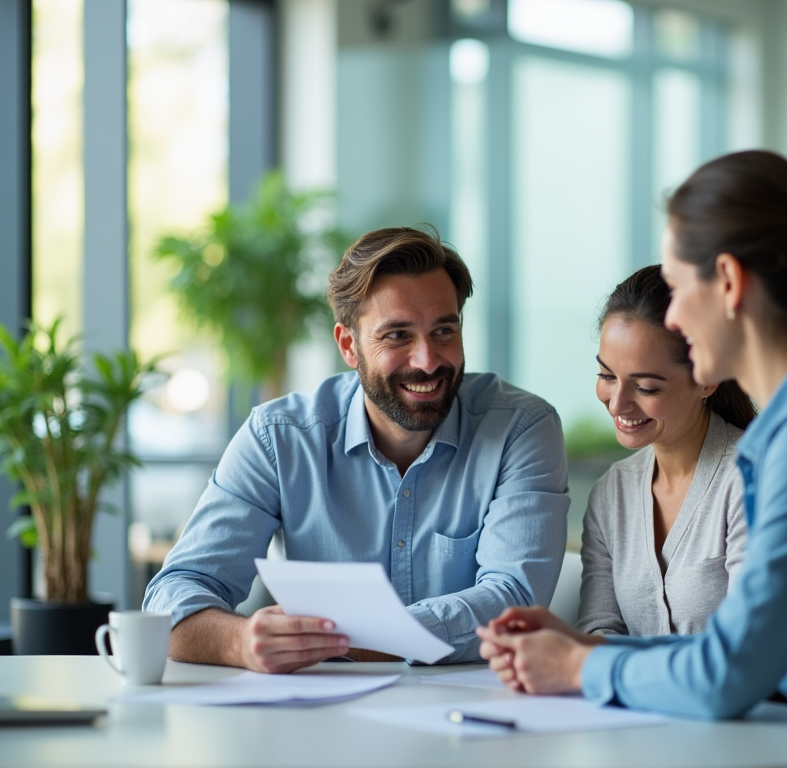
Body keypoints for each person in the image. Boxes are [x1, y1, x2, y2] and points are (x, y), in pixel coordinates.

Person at [477, 150, 787, 768]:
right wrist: (582, 650)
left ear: (729, 283)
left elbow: (728, 672)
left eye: (678, 289)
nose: (673, 315)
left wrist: (582, 664)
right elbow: (733, 653)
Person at [144, 225, 570, 672]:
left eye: (444, 330)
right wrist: (240, 642)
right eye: (397, 336)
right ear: (349, 345)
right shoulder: (278, 438)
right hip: (321, 717)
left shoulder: (521, 429)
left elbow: (512, 601)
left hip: (470, 717)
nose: (427, 360)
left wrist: (334, 638)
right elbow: (173, 594)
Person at [580, 265, 754, 638]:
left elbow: (749, 645)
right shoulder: (612, 494)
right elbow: (600, 628)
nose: (617, 405)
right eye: (607, 376)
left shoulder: (752, 478)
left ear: (706, 379)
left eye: (645, 387)